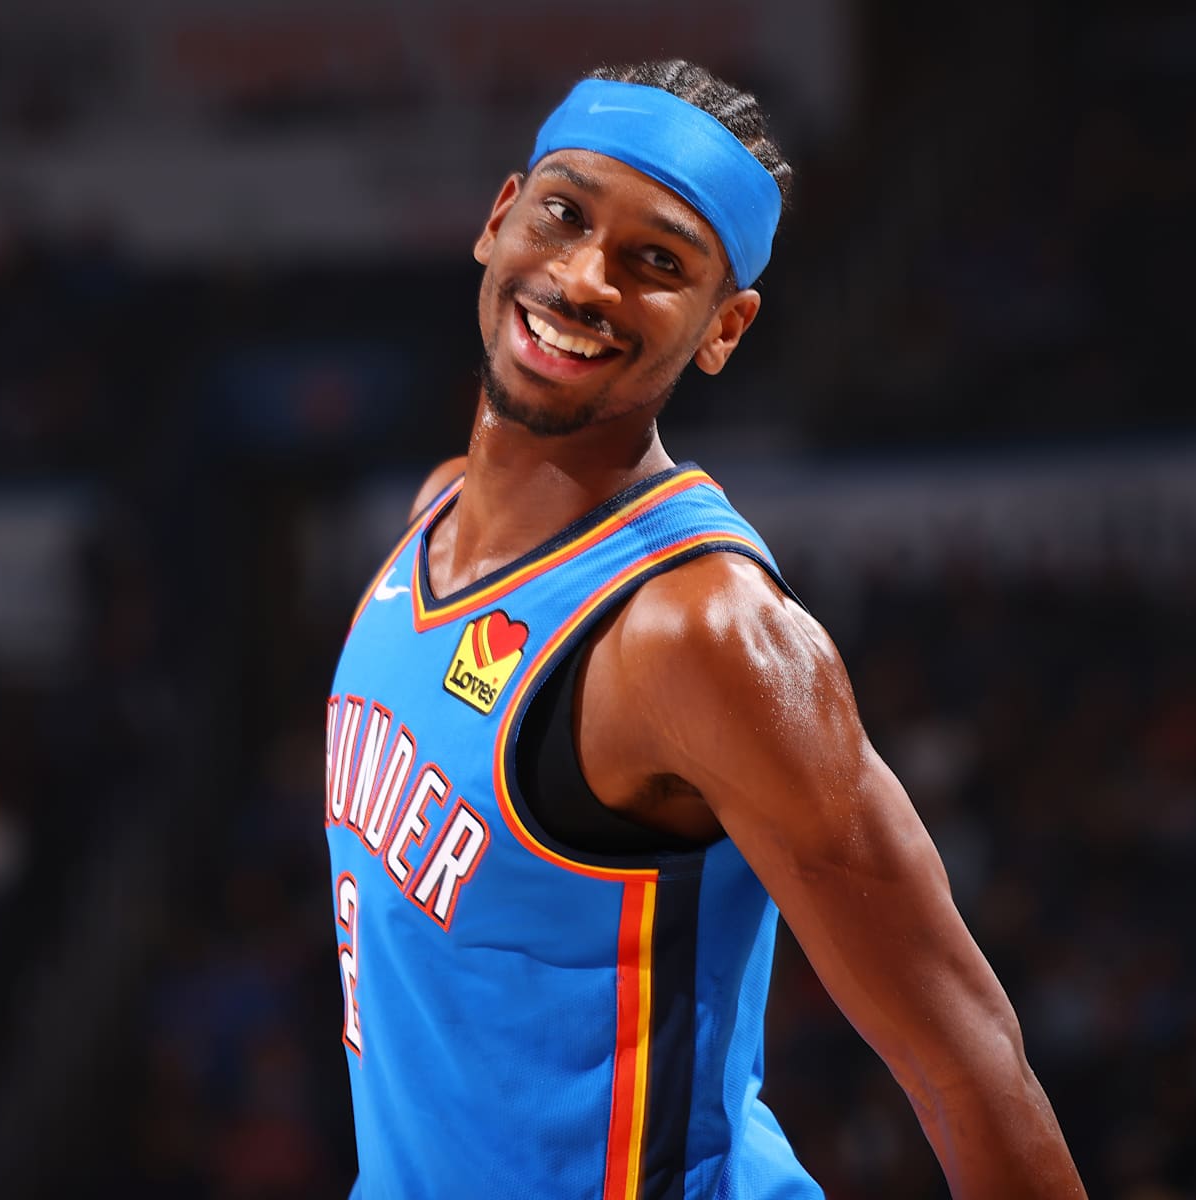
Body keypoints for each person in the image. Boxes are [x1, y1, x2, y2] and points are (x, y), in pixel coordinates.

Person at [323, 60, 1084, 1198]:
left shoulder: (702, 633)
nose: (583, 279)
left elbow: (968, 1062)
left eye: (657, 263)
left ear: (723, 329)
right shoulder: (429, 519)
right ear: (499, 218)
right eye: (564, 216)